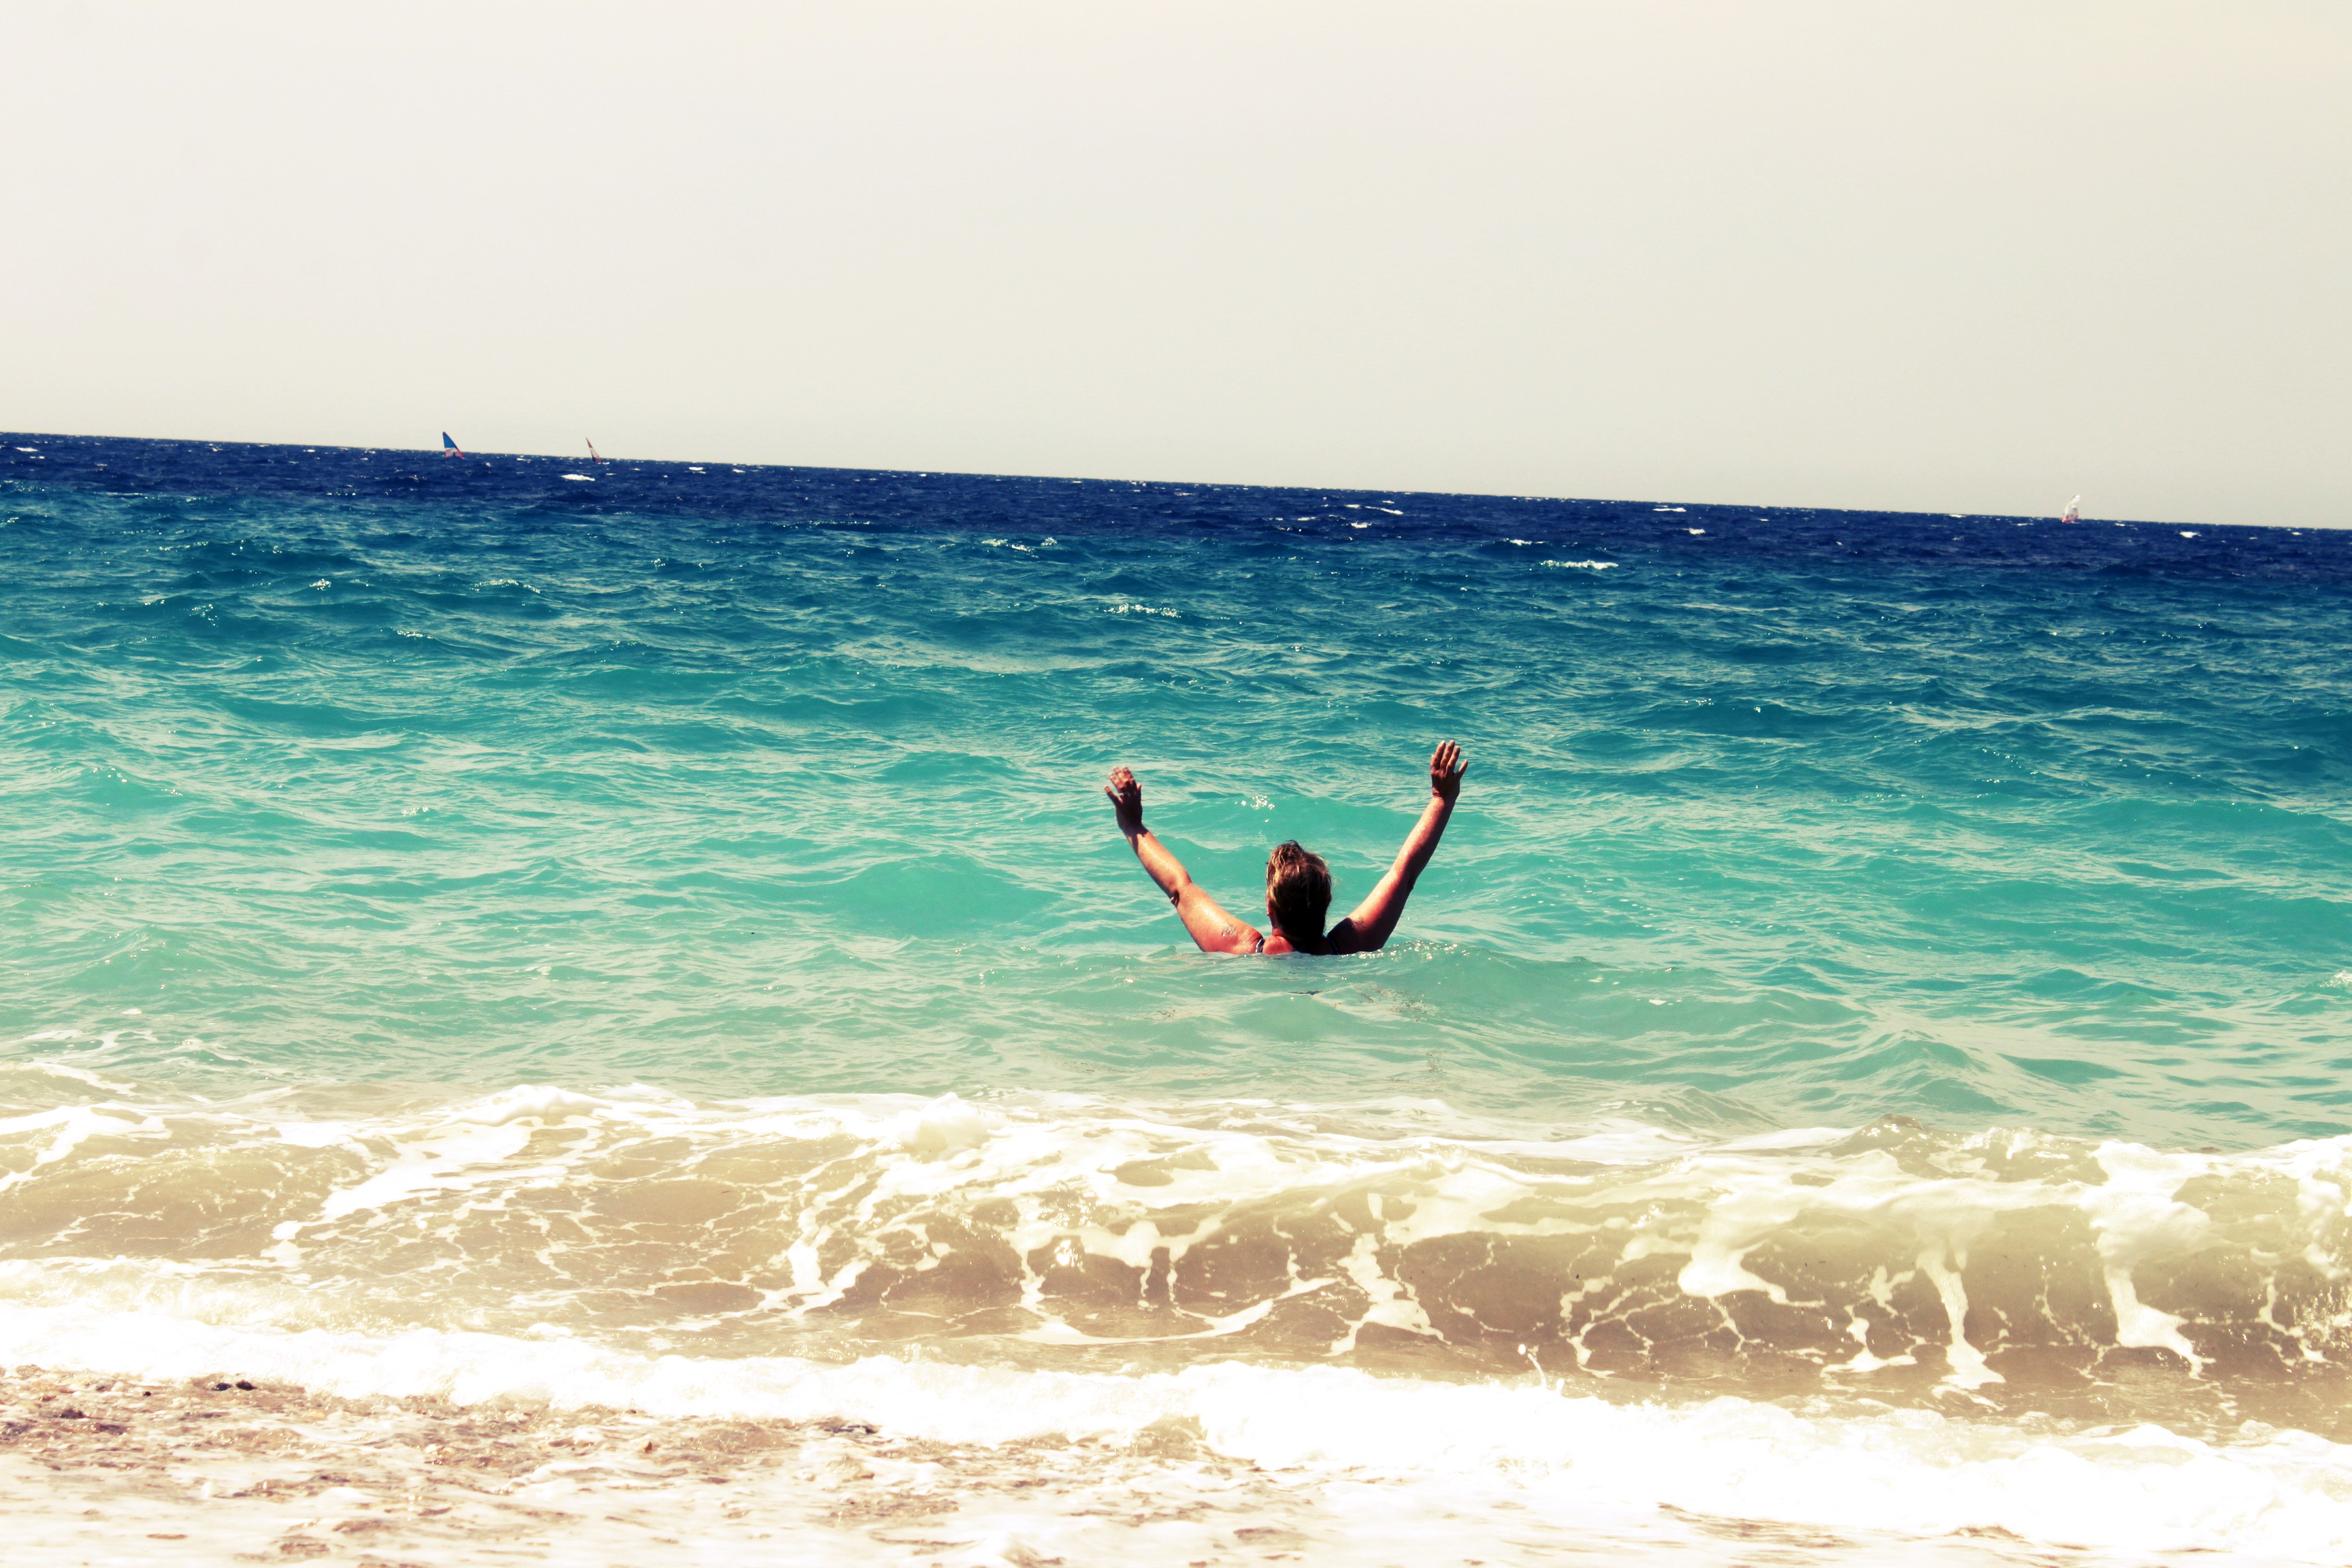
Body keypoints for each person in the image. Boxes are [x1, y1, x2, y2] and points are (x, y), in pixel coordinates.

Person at [1102, 742, 1466, 956]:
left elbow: (1180, 889)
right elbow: (1404, 874)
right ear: (1326, 904)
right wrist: (1441, 798)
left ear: (1270, 907)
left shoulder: (1243, 950)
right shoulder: (1346, 949)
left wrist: (1133, 826)